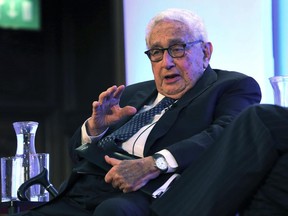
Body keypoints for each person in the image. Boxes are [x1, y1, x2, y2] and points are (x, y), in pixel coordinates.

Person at [17, 8, 261, 216]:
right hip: (84, 189)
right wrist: (96, 128)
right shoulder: (133, 93)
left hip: (149, 193)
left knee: (112, 211)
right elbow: (76, 155)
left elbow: (225, 134)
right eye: (156, 52)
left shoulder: (230, 86)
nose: (166, 62)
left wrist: (154, 163)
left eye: (177, 48)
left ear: (205, 52)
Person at [150, 104, 288, 216]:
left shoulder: (233, 85)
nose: (167, 67)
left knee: (263, 117)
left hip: (157, 184)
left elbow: (223, 129)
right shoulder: (135, 92)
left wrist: (158, 162)